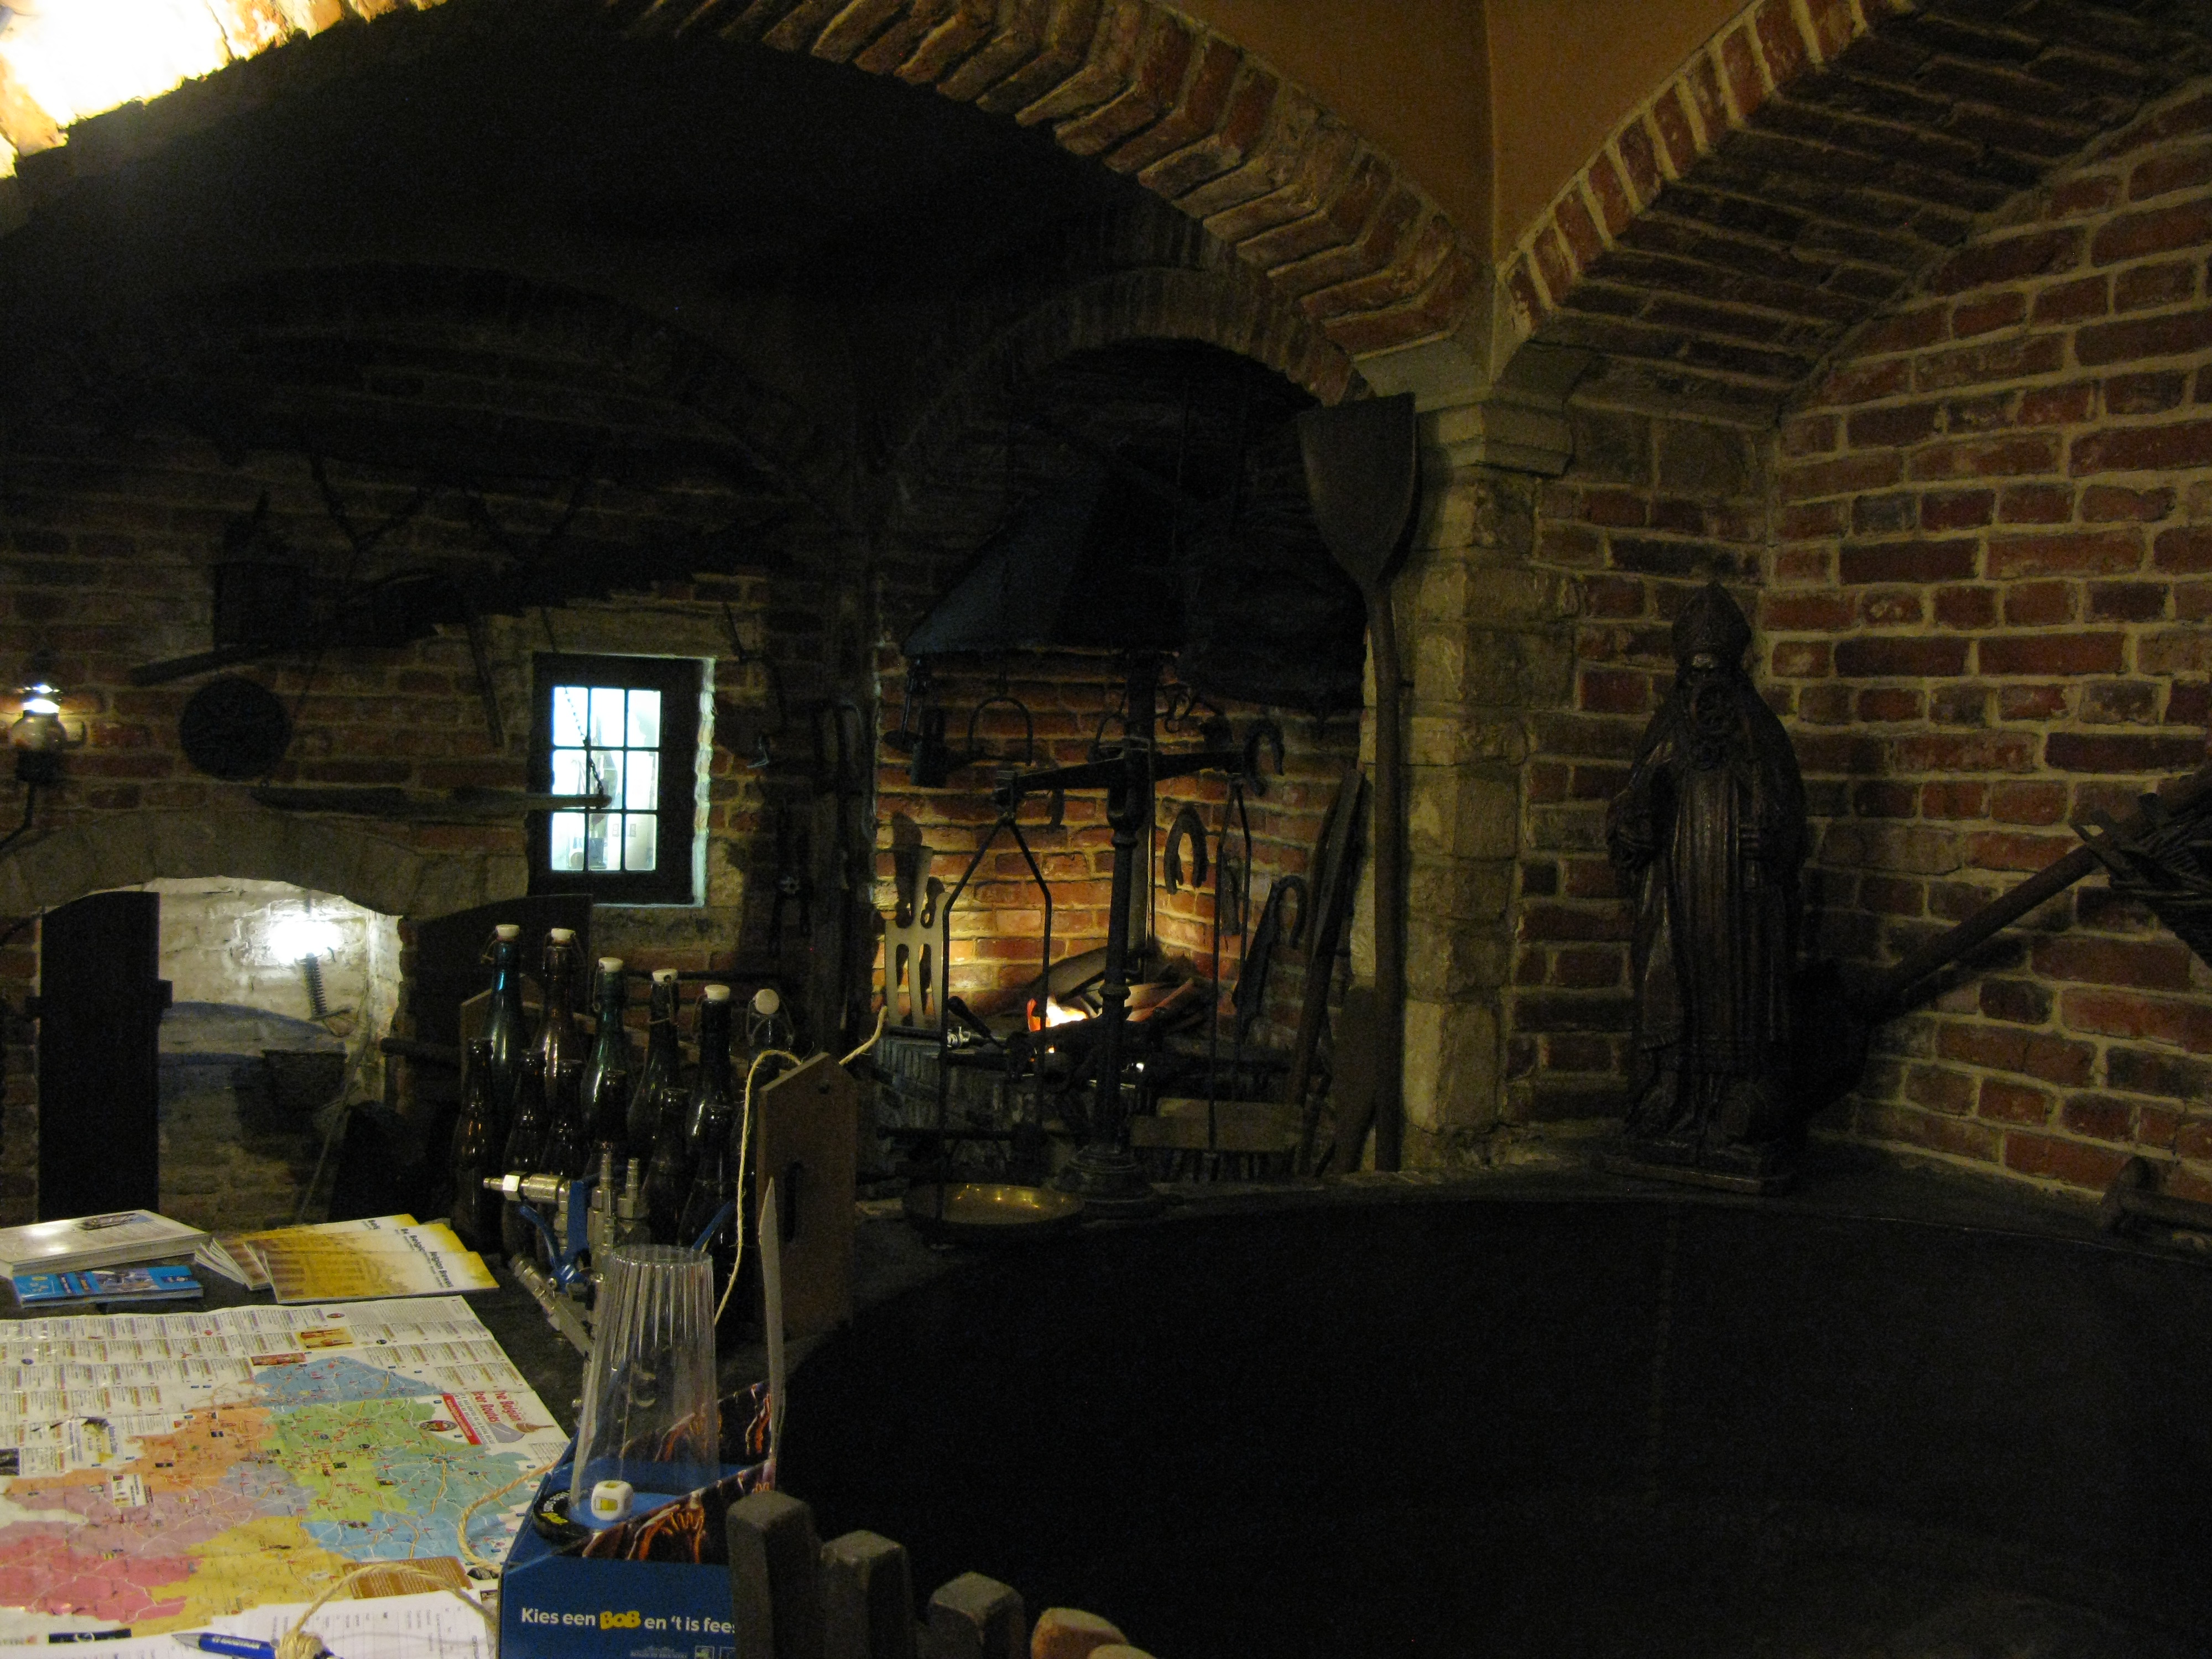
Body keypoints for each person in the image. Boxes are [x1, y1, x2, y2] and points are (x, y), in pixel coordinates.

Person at [1604, 581, 1807, 1175]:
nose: (1706, 687)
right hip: (1679, 884)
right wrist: (1635, 829)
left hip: (1742, 898)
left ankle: (1735, 1100)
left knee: (1737, 995)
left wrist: (1774, 842)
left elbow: (1791, 823)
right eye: (1695, 673)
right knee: (1676, 983)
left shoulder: (1761, 734)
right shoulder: (1667, 731)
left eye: (1715, 672)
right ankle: (1673, 1092)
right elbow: (1631, 808)